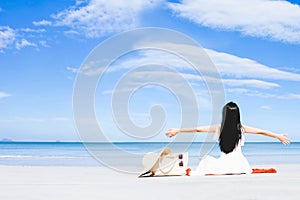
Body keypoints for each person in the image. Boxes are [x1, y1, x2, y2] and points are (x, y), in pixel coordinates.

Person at [165, 102, 290, 175]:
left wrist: (178, 130)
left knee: (205, 160)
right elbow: (261, 131)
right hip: (242, 166)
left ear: (224, 115)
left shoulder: (219, 128)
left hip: (225, 165)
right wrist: (277, 135)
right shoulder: (242, 128)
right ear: (237, 115)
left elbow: (198, 129)